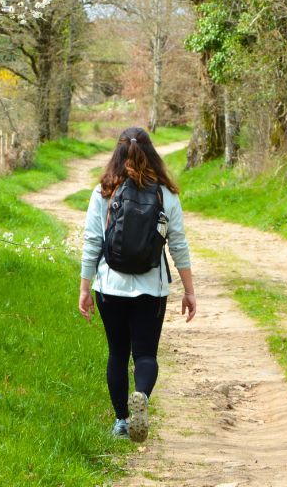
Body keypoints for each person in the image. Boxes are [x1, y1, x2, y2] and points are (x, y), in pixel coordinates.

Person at [78, 126, 196, 442]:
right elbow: (178, 244)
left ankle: (121, 421)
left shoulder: (103, 190)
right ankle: (141, 394)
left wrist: (85, 288)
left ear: (116, 154)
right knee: (145, 355)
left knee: (117, 353)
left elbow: (92, 241)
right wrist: (189, 290)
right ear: (153, 154)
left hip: (109, 286)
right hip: (151, 288)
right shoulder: (166, 194)